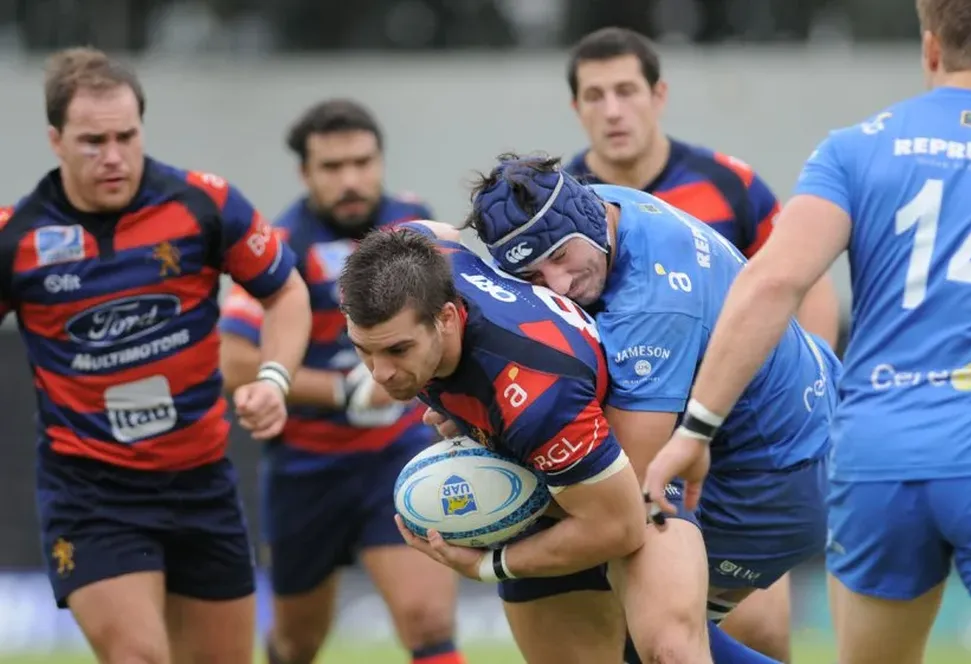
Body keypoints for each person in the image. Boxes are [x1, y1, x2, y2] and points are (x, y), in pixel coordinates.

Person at [641, 1, 971, 662]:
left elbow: (773, 283)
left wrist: (696, 430)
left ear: (930, 47)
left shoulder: (857, 147)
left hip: (879, 452)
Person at [340, 223, 785, 664]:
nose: (380, 373)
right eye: (364, 350)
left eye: (398, 350)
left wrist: (488, 566)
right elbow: (435, 231)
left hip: (625, 474)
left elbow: (621, 525)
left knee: (672, 654)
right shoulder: (419, 259)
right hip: (538, 463)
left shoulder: (533, 396)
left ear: (447, 319)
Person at [0, 47, 311, 664]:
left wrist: (275, 380)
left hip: (202, 481)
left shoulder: (204, 204)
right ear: (56, 140)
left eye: (126, 136)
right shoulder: (18, 237)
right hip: (90, 493)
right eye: (93, 141)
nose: (113, 156)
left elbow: (287, 293)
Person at [465, 154, 838, 663]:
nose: (558, 284)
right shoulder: (605, 208)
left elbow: (626, 488)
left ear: (587, 218)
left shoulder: (652, 304)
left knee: (658, 641)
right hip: (763, 436)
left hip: (774, 475)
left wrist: (494, 495)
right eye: (533, 273)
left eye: (561, 255)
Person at [563, 32, 839, 656]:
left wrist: (801, 401)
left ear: (658, 95)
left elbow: (804, 286)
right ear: (576, 108)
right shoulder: (561, 205)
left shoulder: (728, 183)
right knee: (648, 631)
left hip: (746, 448)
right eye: (596, 96)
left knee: (760, 628)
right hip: (633, 446)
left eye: (627, 91)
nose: (613, 110)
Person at [218, 99, 466, 664]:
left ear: (381, 161)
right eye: (332, 167)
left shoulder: (413, 225)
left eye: (362, 162)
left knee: (429, 623)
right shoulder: (278, 244)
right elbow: (234, 361)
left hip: (397, 458)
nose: (351, 179)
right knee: (297, 643)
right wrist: (344, 392)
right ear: (305, 174)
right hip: (305, 470)